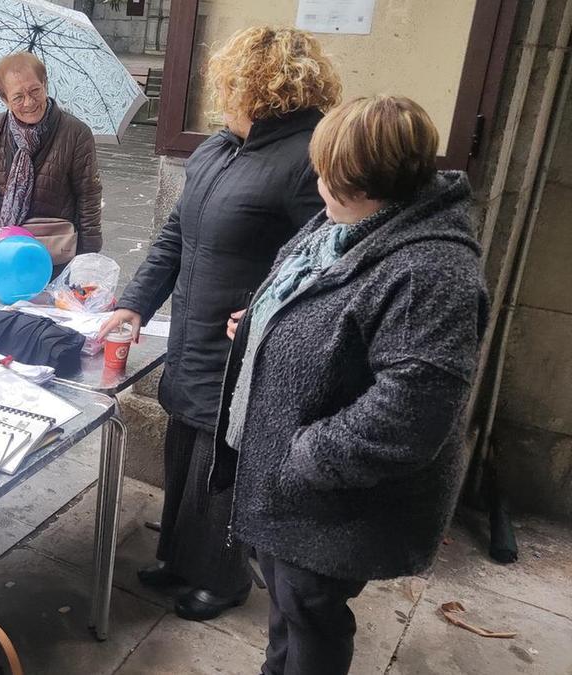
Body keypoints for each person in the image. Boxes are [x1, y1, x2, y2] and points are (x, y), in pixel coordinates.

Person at [215, 96, 486, 675]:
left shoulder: (431, 271)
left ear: (367, 185)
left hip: (330, 497)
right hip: (288, 482)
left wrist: (306, 458)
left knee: (311, 612)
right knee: (287, 605)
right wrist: (260, 326)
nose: (317, 185)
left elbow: (411, 410)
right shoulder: (345, 224)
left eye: (327, 175)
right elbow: (311, 304)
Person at [98, 26, 342, 621]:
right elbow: (175, 235)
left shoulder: (307, 159)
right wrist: (136, 302)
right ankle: (181, 559)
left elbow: (325, 259)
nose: (220, 95)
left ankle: (224, 578)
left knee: (222, 457)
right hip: (192, 328)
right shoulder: (218, 148)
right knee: (185, 443)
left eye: (230, 84)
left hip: (244, 343)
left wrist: (269, 310)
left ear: (258, 87)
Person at [0, 52, 103, 269]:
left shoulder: (75, 132)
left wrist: (87, 257)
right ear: (4, 99)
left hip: (53, 252)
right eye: (18, 97)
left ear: (45, 84)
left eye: (35, 90)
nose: (29, 102)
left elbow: (88, 195)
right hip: (4, 250)